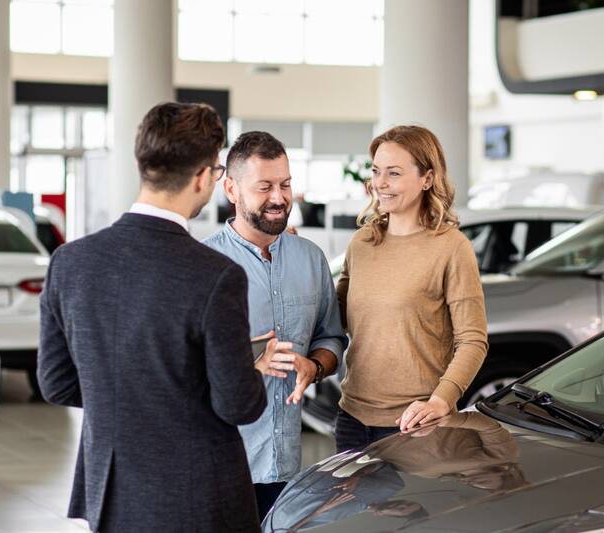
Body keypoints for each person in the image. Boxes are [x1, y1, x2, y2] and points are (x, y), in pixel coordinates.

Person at [37, 102, 291, 533]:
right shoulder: (214, 274)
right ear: (201, 177)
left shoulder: (70, 262)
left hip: (110, 489)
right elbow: (239, 405)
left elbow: (57, 382)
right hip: (198, 496)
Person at [203, 131, 348, 520]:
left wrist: (314, 365)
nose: (279, 197)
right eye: (264, 186)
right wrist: (248, 364)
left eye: (285, 184)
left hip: (286, 469)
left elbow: (330, 336)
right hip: (221, 467)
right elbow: (179, 369)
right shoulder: (203, 264)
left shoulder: (310, 258)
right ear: (231, 189)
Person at [335, 124, 488, 452]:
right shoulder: (362, 241)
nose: (380, 183)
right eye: (376, 171)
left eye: (394, 173)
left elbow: (473, 341)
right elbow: (336, 316)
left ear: (427, 179)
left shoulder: (451, 247)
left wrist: (440, 402)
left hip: (417, 426)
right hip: (352, 420)